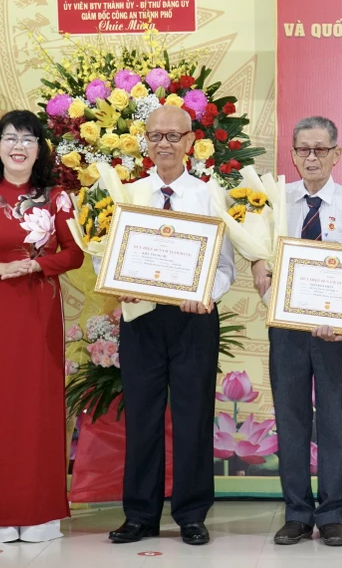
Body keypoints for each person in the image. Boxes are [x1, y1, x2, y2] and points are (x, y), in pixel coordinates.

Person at [0, 110, 84, 542]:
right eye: (10, 137)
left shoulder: (57, 196)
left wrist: (35, 265)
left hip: (39, 309)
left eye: (28, 138)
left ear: (40, 148)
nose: (19, 146)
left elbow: (74, 253)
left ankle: (39, 512)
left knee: (37, 406)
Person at [107, 105, 237, 546]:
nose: (164, 144)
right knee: (142, 416)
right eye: (155, 136)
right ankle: (140, 514)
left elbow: (226, 265)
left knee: (193, 415)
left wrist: (207, 293)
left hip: (193, 319)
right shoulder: (127, 193)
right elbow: (106, 250)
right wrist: (118, 281)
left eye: (173, 136)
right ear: (145, 141)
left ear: (190, 142)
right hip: (140, 317)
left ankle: (192, 513)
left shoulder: (210, 195)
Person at [250, 116, 342, 547]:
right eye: (303, 149)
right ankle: (298, 512)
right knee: (291, 418)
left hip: (338, 333)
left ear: (337, 153)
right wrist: (257, 265)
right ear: (293, 154)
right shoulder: (274, 203)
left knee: (336, 420)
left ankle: (333, 511)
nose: (312, 157)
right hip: (287, 328)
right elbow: (259, 253)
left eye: (321, 149)